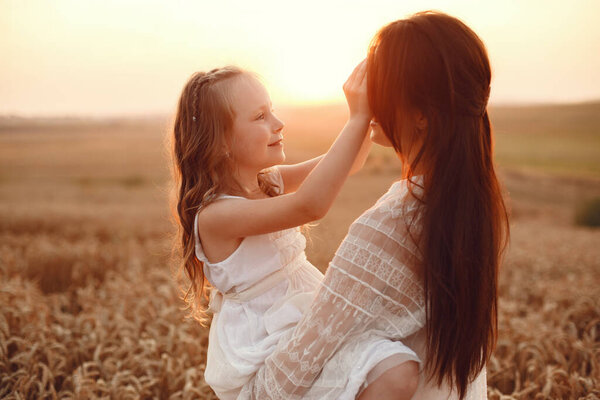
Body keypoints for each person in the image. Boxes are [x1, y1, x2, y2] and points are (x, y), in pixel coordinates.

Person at [239, 11, 510, 400]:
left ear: (420, 116)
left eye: (380, 83)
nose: (367, 94)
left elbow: (282, 383)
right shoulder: (471, 212)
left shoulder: (390, 227)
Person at [170, 62, 421, 399]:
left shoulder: (269, 181)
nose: (279, 123)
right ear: (221, 143)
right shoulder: (217, 215)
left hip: (305, 318)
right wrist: (357, 118)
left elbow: (351, 162)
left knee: (399, 363)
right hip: (266, 345)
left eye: (272, 111)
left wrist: (371, 105)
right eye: (260, 117)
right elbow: (310, 205)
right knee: (394, 371)